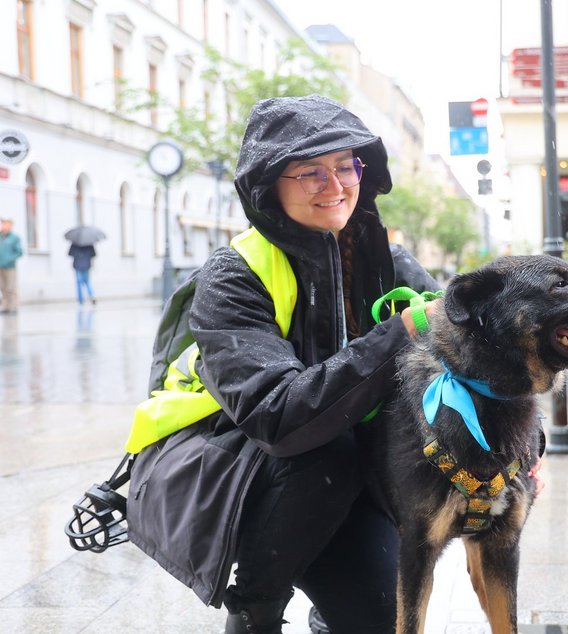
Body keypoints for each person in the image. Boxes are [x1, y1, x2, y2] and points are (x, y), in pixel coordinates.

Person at [125, 94, 440, 634]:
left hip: (351, 476)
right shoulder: (233, 275)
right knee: (327, 453)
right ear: (270, 185)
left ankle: (330, 605)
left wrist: (529, 449)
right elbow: (280, 417)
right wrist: (401, 332)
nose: (336, 185)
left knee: (381, 618)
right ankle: (255, 604)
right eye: (310, 172)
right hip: (234, 466)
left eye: (346, 166)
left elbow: (470, 360)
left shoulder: (391, 263)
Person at [0, 218, 24, 314]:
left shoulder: (14, 238)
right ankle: (5, 306)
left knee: (11, 287)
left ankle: (13, 306)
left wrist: (10, 259)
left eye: (7, 225)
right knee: (2, 287)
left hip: (10, 267)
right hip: (0, 266)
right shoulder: (0, 237)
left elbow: (19, 252)